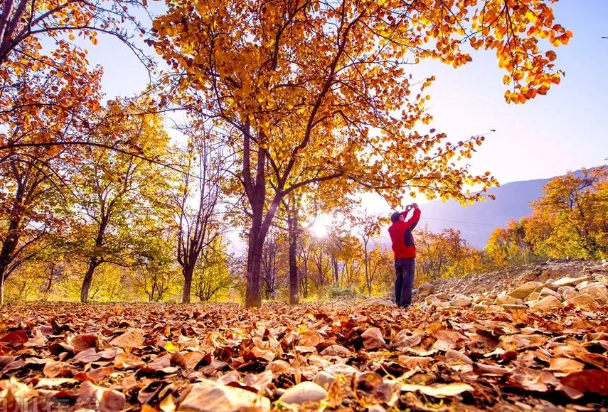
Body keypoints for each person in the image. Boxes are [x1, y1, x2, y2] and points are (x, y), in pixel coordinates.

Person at [388, 203, 421, 308]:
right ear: (400, 218)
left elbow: (398, 220)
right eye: (402, 216)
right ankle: (405, 303)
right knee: (407, 280)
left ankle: (398, 302)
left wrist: (406, 211)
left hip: (398, 258)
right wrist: (416, 208)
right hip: (408, 257)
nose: (403, 216)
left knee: (399, 280)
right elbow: (414, 220)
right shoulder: (404, 227)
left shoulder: (392, 228)